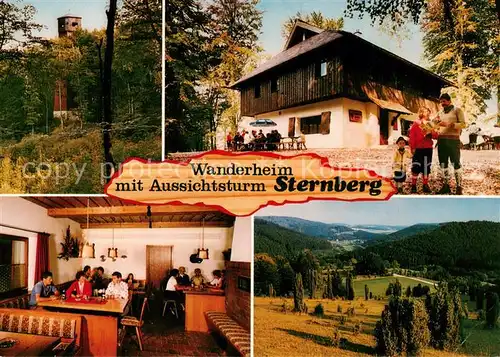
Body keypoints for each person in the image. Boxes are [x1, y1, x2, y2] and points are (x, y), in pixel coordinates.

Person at [434, 93, 466, 195]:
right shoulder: (440, 112)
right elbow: (434, 123)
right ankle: (446, 185)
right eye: (441, 102)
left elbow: (463, 124)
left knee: (456, 163)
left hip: (453, 141)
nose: (442, 103)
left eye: (444, 101)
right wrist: (432, 124)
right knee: (443, 164)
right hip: (442, 141)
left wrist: (450, 124)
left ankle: (459, 187)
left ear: (449, 101)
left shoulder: (457, 110)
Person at [409, 107, 437, 194]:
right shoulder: (416, 123)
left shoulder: (430, 123)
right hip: (419, 148)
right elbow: (412, 137)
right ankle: (413, 185)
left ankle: (425, 185)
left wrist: (431, 132)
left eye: (429, 112)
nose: (428, 114)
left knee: (426, 167)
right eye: (426, 112)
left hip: (428, 148)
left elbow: (436, 136)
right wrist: (412, 148)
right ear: (422, 113)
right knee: (416, 167)